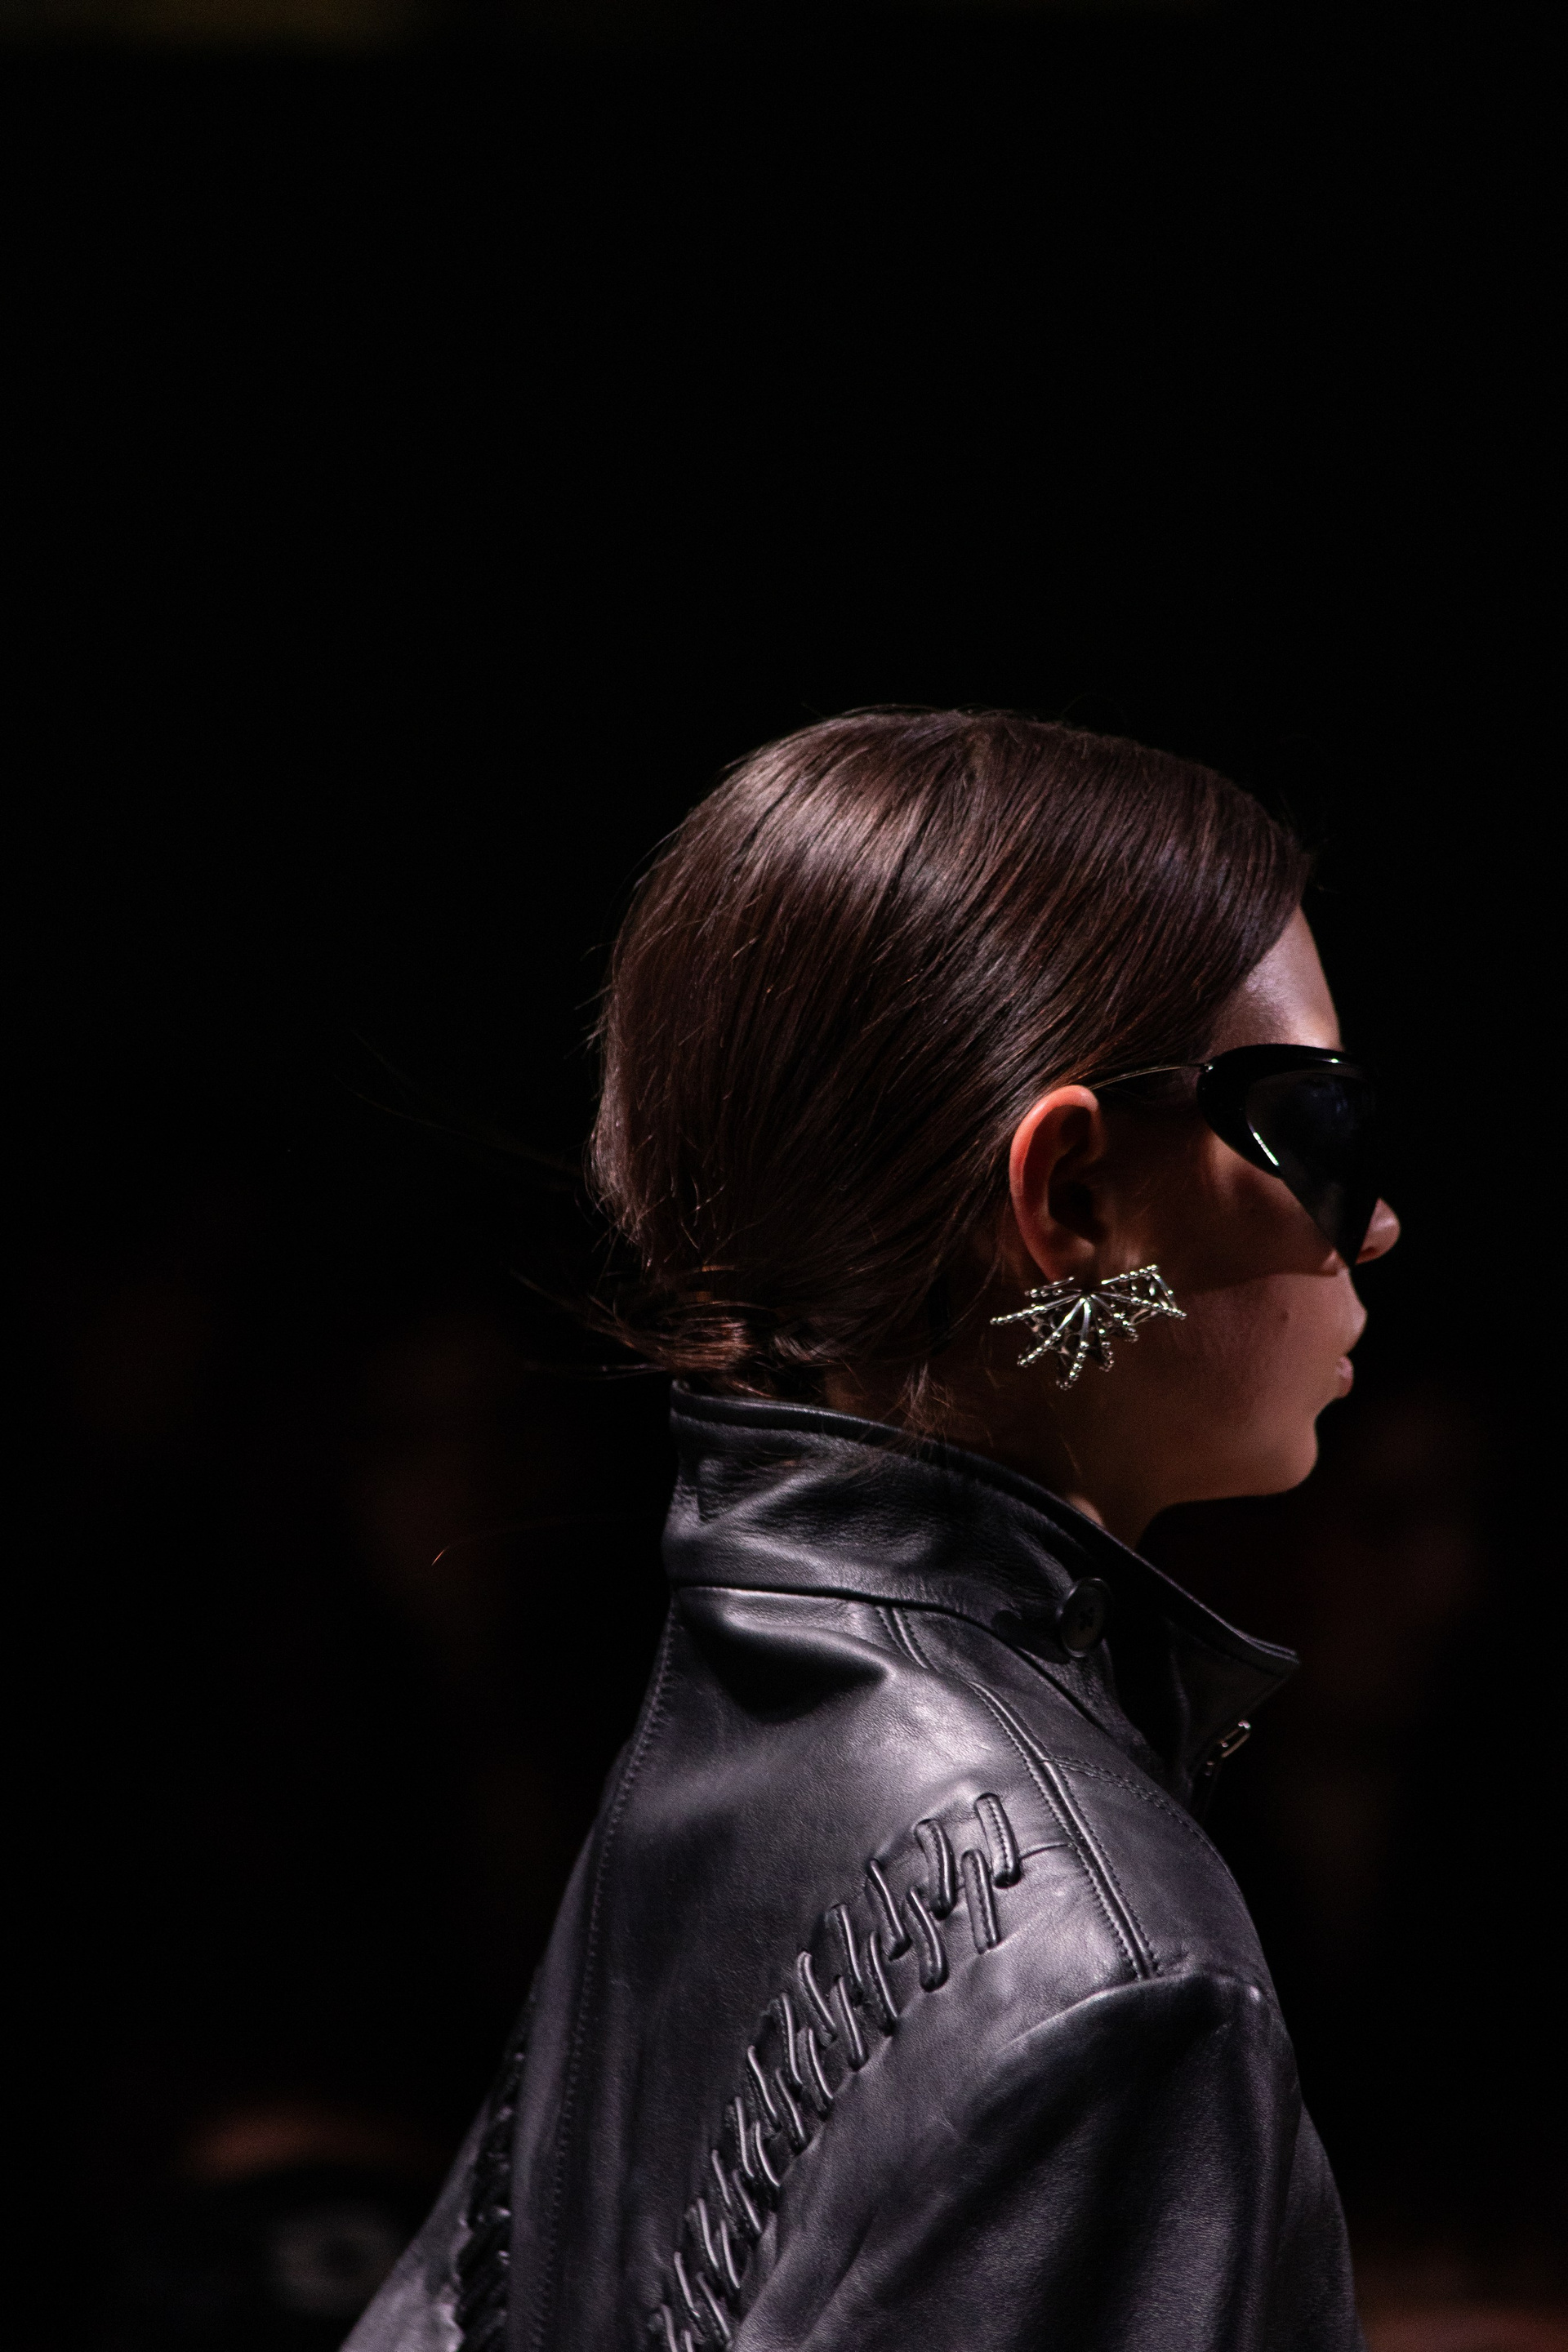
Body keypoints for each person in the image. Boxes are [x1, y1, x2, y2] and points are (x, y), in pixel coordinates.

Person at [350, 709, 1399, 2352]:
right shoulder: (1121, 1978)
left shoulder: (713, 1730)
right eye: (1314, 1125)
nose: (1378, 1221)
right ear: (1071, 1202)